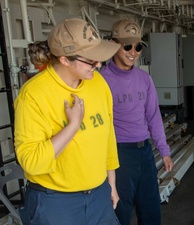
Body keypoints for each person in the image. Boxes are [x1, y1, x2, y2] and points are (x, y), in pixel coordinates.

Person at [14, 18, 121, 225]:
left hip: (99, 195)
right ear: (64, 60)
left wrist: (111, 184)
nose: (98, 64)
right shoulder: (34, 94)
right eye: (91, 59)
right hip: (55, 202)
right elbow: (31, 162)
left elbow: (108, 137)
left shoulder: (98, 82)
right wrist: (72, 126)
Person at [101, 19, 174, 225]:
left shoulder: (144, 79)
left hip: (145, 152)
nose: (133, 52)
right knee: (120, 209)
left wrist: (164, 150)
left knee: (150, 207)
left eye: (138, 46)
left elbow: (153, 116)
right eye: (127, 46)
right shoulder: (102, 81)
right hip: (119, 153)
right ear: (114, 44)